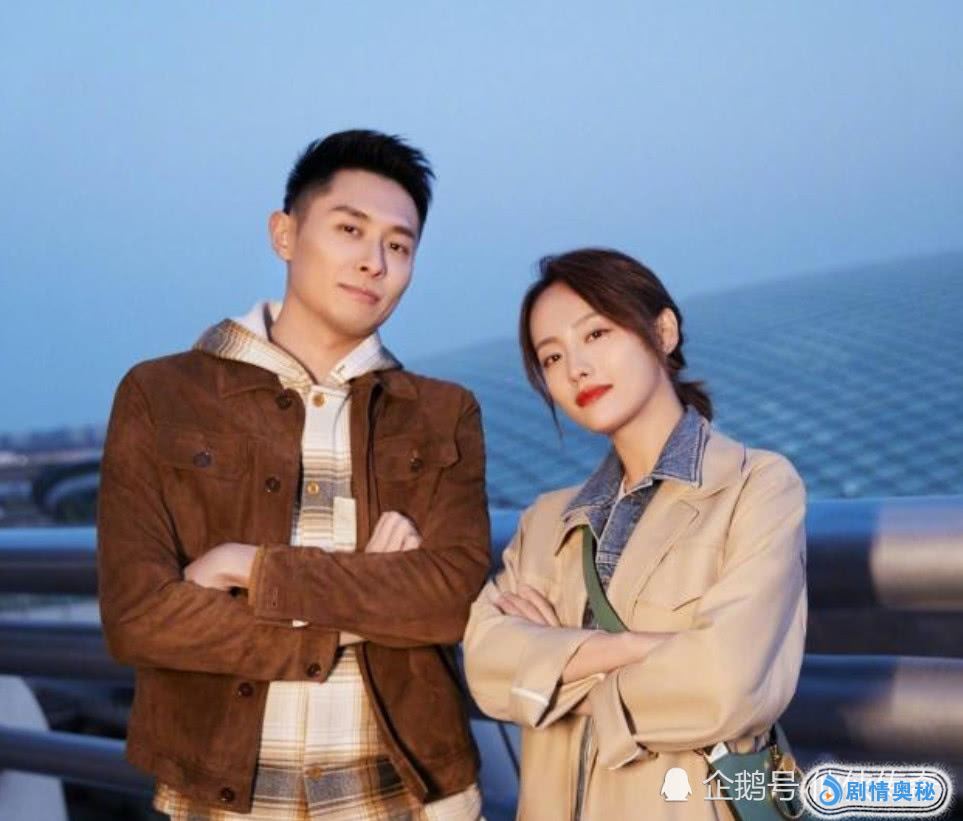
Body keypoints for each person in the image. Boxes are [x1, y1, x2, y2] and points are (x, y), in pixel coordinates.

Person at [97, 130, 489, 819]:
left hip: (404, 794)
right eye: (349, 229)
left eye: (399, 246)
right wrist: (367, 594)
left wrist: (247, 568)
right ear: (285, 233)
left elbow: (449, 601)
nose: (373, 262)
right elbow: (138, 618)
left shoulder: (441, 413)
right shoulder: (162, 395)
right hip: (223, 798)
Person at [463, 248, 807, 820]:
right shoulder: (546, 521)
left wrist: (552, 662)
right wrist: (631, 649)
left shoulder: (756, 487)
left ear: (663, 331)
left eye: (595, 334)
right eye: (552, 357)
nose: (575, 368)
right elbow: (484, 667)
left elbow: (725, 686)